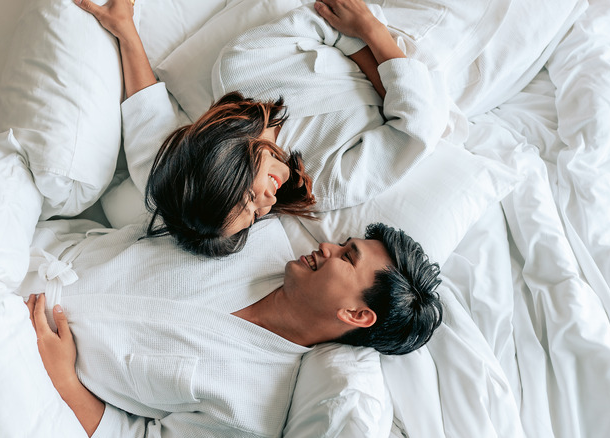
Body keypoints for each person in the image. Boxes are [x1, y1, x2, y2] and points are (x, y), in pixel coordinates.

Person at [74, 0, 458, 256]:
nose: (268, 205)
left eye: (249, 201)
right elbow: (418, 128)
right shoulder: (320, 184)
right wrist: (376, 45)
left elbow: (149, 121)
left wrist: (125, 29)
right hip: (447, 62)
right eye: (257, 217)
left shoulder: (240, 65)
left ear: (224, 161)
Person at [25, 221, 442, 437]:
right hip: (33, 246)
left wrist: (64, 380)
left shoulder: (252, 410)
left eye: (347, 257)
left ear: (356, 315)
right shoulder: (258, 233)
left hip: (27, 364)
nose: (329, 246)